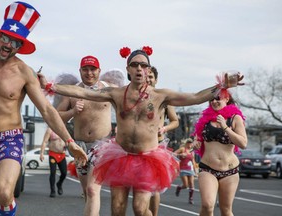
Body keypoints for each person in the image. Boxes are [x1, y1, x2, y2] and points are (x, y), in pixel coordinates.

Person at [38, 46, 244, 216]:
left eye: (143, 65)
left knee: (139, 208)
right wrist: (50, 86)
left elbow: (195, 97)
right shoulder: (117, 93)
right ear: (128, 69)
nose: (139, 69)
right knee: (117, 208)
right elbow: (81, 91)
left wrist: (221, 86)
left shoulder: (160, 95)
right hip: (120, 156)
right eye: (134, 65)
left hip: (148, 158)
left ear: (148, 70)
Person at [0, 2, 87, 216]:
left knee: (3, 192)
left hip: (9, 138)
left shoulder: (24, 73)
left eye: (15, 42)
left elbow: (46, 109)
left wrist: (70, 142)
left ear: (20, 46)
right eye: (6, 38)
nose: (8, 44)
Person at [55, 57, 122, 216]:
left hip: (102, 145)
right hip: (80, 147)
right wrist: (72, 112)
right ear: (80, 71)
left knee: (92, 190)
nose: (89, 73)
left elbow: (126, 108)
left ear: (99, 71)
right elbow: (56, 116)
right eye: (85, 69)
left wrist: (121, 125)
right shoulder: (72, 91)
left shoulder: (109, 89)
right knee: (87, 193)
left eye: (93, 69)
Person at [192, 88, 247, 216]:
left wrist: (225, 127)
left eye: (218, 98)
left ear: (226, 99)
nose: (214, 102)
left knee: (226, 210)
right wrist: (195, 143)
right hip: (208, 169)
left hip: (230, 171)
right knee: (207, 206)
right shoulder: (204, 119)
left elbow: (243, 143)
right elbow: (197, 138)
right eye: (211, 99)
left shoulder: (235, 118)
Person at [146, 66, 179, 216]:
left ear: (156, 79)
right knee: (141, 186)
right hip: (137, 146)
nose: (148, 79)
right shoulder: (134, 96)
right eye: (146, 76)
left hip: (157, 145)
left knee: (154, 187)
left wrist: (164, 128)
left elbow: (175, 121)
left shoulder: (164, 99)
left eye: (151, 76)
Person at [40, 128, 67, 198]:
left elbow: (69, 141)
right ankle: (53, 191)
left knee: (64, 173)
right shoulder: (50, 130)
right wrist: (41, 153)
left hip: (62, 155)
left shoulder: (64, 128)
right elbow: (45, 141)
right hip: (53, 154)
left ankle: (59, 184)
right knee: (53, 172)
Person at [174, 138, 197, 204]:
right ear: (186, 143)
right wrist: (180, 155)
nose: (190, 144)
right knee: (185, 185)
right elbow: (174, 154)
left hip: (190, 169)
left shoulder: (192, 151)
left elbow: (193, 161)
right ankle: (179, 188)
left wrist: (195, 171)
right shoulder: (182, 149)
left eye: (191, 143)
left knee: (192, 184)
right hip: (183, 169)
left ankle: (191, 199)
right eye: (188, 143)